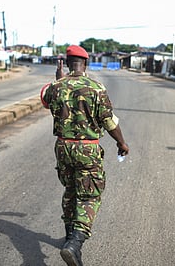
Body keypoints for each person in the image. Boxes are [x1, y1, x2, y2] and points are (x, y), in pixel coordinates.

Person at [41, 45, 129, 266]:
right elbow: (109, 122)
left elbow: (45, 100)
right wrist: (121, 142)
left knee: (70, 190)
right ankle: (75, 242)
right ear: (86, 63)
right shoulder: (96, 88)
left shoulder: (56, 87)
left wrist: (58, 80)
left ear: (67, 63)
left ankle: (70, 238)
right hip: (87, 149)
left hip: (63, 148)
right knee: (89, 195)